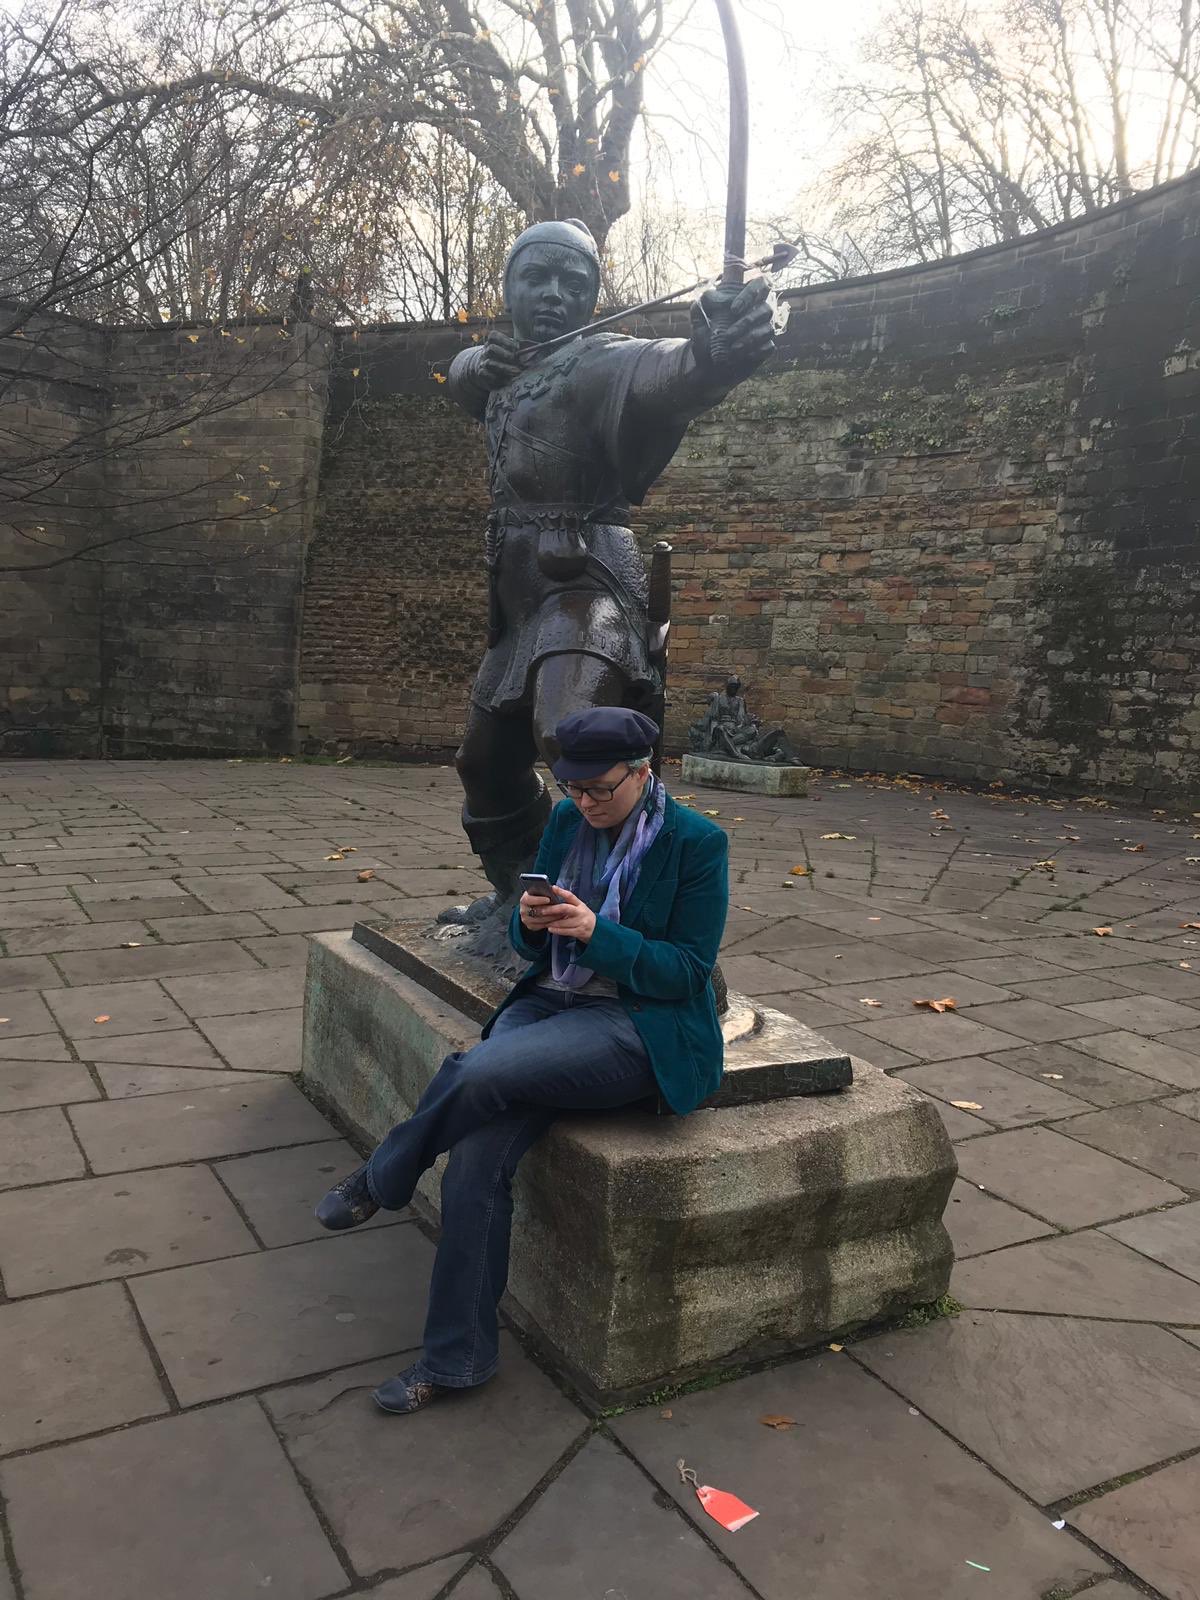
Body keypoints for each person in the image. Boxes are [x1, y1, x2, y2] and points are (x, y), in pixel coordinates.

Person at [315, 706, 729, 1414]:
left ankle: (383, 1174)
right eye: (574, 789)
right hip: (551, 1007)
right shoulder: (567, 822)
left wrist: (600, 934)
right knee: (476, 1162)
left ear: (644, 771)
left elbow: (688, 973)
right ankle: (456, 1361)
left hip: (634, 1026)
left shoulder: (697, 842)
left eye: (602, 789)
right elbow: (527, 941)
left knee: (476, 1070)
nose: (586, 804)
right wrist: (528, 923)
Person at [438, 216, 775, 928]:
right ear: (509, 288)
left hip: (586, 582)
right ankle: (524, 899)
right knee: (485, 764)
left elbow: (676, 369)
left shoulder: (601, 360)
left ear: (595, 296)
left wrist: (718, 345)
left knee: (575, 735)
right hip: (521, 595)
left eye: (575, 283)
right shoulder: (510, 368)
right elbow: (462, 380)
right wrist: (475, 364)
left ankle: (646, 912)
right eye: (537, 279)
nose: (555, 294)